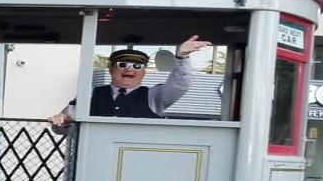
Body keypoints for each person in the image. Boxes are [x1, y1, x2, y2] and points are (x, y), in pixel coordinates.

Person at [48, 35, 212, 127]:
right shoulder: (90, 94)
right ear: (111, 69)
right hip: (94, 156)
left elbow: (181, 84)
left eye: (137, 66)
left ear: (144, 72)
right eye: (122, 65)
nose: (129, 69)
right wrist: (60, 121)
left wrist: (182, 57)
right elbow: (64, 123)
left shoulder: (153, 96)